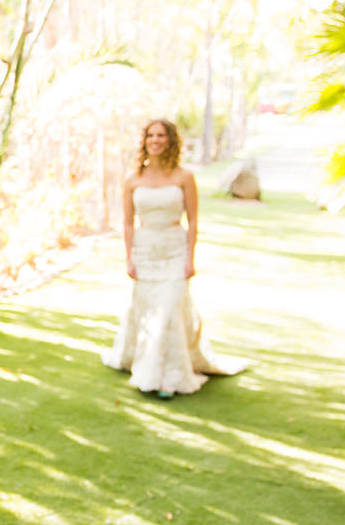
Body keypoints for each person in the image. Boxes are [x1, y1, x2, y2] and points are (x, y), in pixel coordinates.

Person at [101, 119, 246, 396]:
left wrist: (190, 258)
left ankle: (170, 377)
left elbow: (192, 221)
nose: (156, 140)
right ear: (144, 141)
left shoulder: (183, 177)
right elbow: (129, 223)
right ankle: (141, 360)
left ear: (170, 141)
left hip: (173, 249)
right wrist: (129, 257)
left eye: (161, 135)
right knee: (147, 310)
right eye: (151, 135)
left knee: (169, 310)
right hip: (145, 250)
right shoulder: (132, 180)